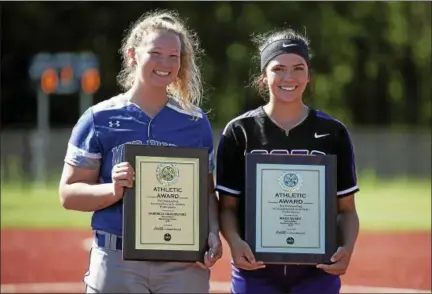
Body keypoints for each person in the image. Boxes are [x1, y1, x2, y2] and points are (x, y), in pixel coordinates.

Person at [58, 10, 222, 294]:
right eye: (156, 53)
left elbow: (206, 194)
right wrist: (113, 190)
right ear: (133, 55)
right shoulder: (99, 118)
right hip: (117, 258)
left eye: (174, 56)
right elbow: (68, 194)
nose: (166, 63)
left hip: (182, 263)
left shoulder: (195, 121)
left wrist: (212, 233)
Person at [216, 28, 360, 294]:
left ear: (308, 75)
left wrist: (347, 249)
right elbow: (227, 207)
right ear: (263, 76)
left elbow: (347, 209)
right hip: (255, 268)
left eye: (298, 68)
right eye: (278, 69)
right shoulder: (240, 131)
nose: (288, 77)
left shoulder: (333, 132)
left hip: (317, 270)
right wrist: (235, 243)